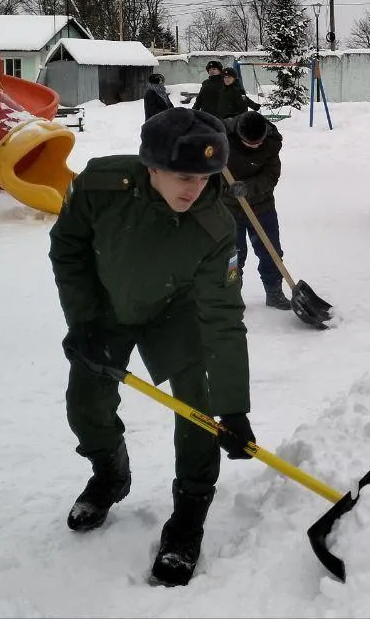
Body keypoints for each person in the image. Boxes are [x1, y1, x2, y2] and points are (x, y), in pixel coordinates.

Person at [48, 106, 253, 587]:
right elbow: (68, 247)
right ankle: (110, 473)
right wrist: (82, 323)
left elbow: (223, 317)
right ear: (151, 167)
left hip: (176, 313)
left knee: (196, 409)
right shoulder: (100, 185)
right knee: (84, 406)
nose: (194, 189)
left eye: (204, 178)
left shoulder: (214, 227)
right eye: (184, 176)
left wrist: (234, 409)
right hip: (107, 307)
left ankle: (189, 515)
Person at [221, 110, 291, 311]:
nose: (255, 146)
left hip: (262, 205)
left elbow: (271, 175)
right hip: (229, 207)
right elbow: (208, 169)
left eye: (257, 143)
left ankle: (274, 292)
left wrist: (247, 187)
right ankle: (231, 294)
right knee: (232, 255)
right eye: (250, 143)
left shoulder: (271, 143)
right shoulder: (222, 137)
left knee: (271, 251)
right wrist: (226, 188)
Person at [193, 61, 259, 121]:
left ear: (220, 70)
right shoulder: (205, 83)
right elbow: (199, 100)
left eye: (214, 69)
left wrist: (253, 106)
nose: (211, 71)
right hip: (206, 116)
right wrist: (193, 112)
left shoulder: (226, 82)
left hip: (223, 117)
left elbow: (241, 97)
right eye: (209, 70)